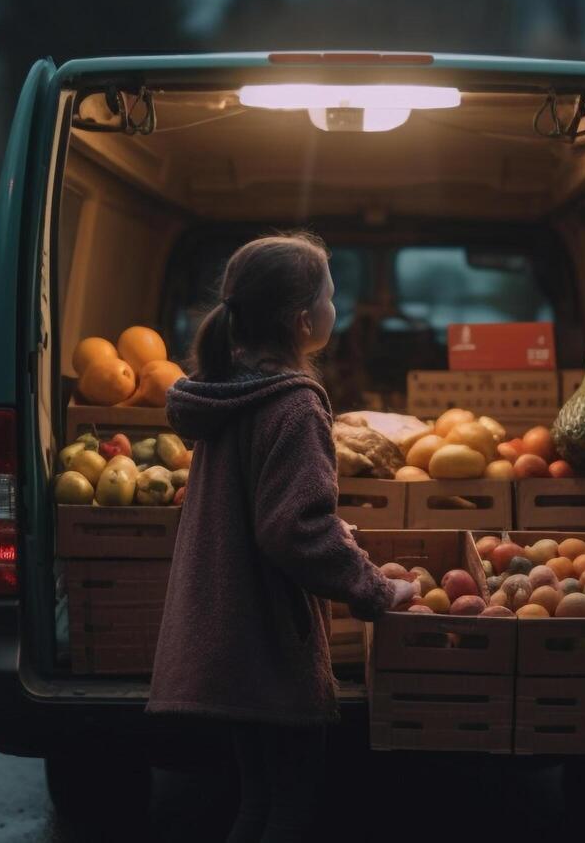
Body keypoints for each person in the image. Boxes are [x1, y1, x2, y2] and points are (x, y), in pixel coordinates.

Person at [148, 231, 417, 843]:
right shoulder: (294, 405)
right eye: (330, 296)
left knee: (257, 800)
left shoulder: (221, 390)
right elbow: (295, 529)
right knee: (290, 809)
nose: (335, 308)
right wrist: (373, 590)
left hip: (225, 634)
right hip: (266, 642)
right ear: (303, 320)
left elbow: (261, 509)